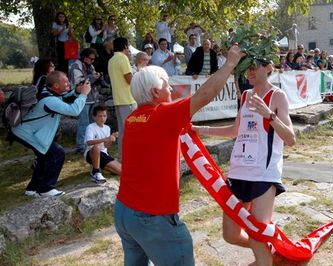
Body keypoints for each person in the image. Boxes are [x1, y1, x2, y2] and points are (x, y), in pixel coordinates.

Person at [114, 45, 243, 266]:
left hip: (125, 212)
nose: (171, 90)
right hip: (152, 217)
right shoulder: (162, 115)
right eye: (166, 84)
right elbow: (204, 95)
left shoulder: (133, 119)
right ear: (155, 92)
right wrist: (230, 64)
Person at [193, 58, 296, 266]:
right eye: (247, 67)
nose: (249, 71)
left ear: (268, 68)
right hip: (238, 173)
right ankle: (267, 250)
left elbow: (291, 138)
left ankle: (264, 256)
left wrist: (269, 115)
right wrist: (199, 129)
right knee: (230, 235)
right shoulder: (247, 95)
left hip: (263, 175)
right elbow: (234, 130)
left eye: (254, 66)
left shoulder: (277, 96)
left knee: (258, 237)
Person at [11, 71, 91, 197]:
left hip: (24, 131)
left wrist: (76, 92)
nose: (68, 83)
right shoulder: (49, 100)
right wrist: (83, 95)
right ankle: (46, 189)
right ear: (56, 85)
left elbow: (64, 97)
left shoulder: (47, 91)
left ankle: (32, 189)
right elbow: (74, 110)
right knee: (56, 153)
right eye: (65, 81)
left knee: (45, 156)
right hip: (26, 133)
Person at [69, 48, 101, 154]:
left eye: (94, 59)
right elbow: (79, 83)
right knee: (84, 123)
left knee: (92, 123)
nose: (93, 61)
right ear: (85, 57)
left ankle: (91, 144)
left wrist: (96, 77)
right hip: (82, 98)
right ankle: (80, 146)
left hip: (92, 97)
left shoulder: (90, 66)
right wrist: (93, 77)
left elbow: (92, 78)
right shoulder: (75, 67)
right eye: (91, 59)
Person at [108, 37, 135, 161]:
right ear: (125, 46)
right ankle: (130, 157)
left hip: (118, 99)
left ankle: (123, 157)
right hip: (127, 99)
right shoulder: (123, 58)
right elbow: (130, 79)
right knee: (131, 130)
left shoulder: (112, 59)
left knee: (123, 131)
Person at [84, 105, 121, 183]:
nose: (102, 118)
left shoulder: (107, 128)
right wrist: (106, 139)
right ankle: (96, 172)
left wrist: (112, 138)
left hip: (104, 154)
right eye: (100, 116)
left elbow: (106, 146)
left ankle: (99, 167)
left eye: (104, 116)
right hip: (91, 153)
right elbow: (89, 142)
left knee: (122, 171)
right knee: (96, 147)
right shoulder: (90, 127)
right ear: (94, 117)